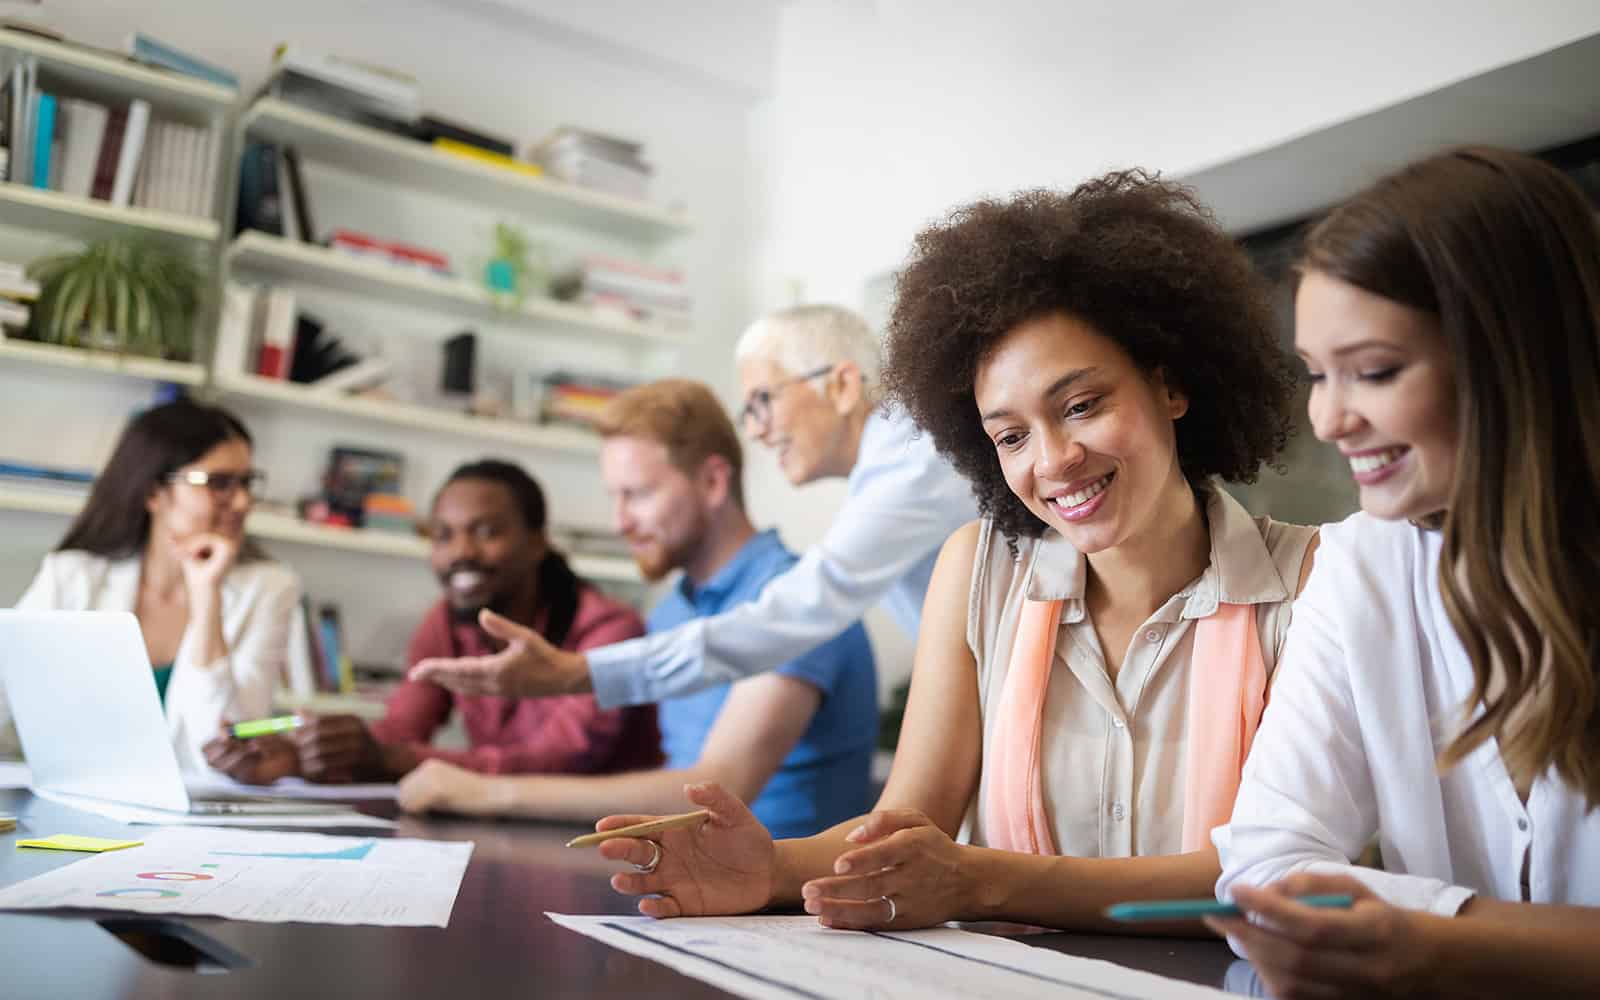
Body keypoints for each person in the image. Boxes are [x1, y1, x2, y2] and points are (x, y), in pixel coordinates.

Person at [591, 171, 1316, 932]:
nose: (1054, 459)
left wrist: (984, 882)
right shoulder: (978, 570)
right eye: (1010, 435)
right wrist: (772, 868)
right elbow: (906, 825)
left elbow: (1264, 878)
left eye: (1081, 405)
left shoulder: (1309, 584)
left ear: (1171, 386)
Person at [1210, 148, 1600, 997]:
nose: (1329, 418)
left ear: (1514, 358)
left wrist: (1435, 939)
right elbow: (1266, 858)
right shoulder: (1360, 566)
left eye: (1375, 371)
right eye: (1315, 375)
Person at [408, 304, 977, 711]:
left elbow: (802, 607)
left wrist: (578, 672)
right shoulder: (892, 471)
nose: (756, 431)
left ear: (844, 386)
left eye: (762, 401)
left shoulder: (911, 460)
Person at [396, 381, 879, 838]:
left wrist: (483, 791)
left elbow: (716, 792)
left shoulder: (801, 603)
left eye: (638, 495)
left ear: (712, 482)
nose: (620, 521)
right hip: (698, 886)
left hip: (791, 905)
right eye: (615, 497)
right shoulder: (669, 615)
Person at [204, 460, 658, 784]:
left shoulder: (609, 630)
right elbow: (401, 729)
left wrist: (385, 757)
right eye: (443, 534)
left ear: (538, 542)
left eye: (486, 531)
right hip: (504, 824)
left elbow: (557, 761)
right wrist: (303, 755)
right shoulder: (445, 622)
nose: (460, 551)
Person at [1, 398, 298, 773]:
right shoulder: (72, 577)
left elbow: (231, 749)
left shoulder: (270, 589)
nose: (241, 501)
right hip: (73, 798)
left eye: (247, 483)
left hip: (200, 816)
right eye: (219, 483)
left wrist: (207, 597)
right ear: (154, 492)